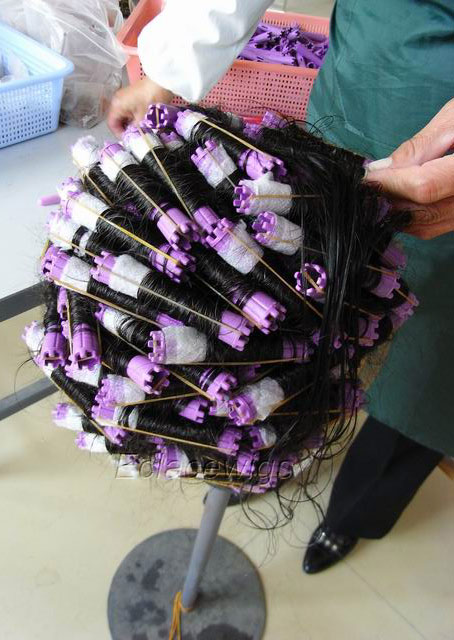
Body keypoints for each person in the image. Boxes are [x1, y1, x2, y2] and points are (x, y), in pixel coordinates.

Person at [108, 0, 454, 573]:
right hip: (353, 102)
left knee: (425, 371)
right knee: (290, 346)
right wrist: (173, 68)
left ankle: (357, 513)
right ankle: (277, 452)